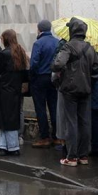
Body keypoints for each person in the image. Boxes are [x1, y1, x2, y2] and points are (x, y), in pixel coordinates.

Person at [52, 18, 98, 166]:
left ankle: (71, 157)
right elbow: (96, 69)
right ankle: (83, 156)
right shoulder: (90, 48)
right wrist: (88, 81)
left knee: (71, 122)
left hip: (70, 89)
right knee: (85, 122)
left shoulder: (68, 47)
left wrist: (56, 69)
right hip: (86, 89)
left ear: (72, 31)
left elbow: (58, 64)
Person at [0, 29, 29, 155]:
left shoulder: (5, 54)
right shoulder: (21, 52)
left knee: (5, 117)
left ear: (6, 39)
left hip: (5, 89)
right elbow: (26, 72)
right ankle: (2, 146)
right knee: (12, 117)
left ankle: (12, 147)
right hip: (16, 89)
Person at [30, 20, 59, 148]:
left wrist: (32, 77)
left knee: (40, 108)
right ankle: (57, 136)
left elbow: (34, 63)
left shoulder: (38, 43)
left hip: (40, 78)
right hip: (54, 78)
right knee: (54, 107)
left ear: (39, 29)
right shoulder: (57, 42)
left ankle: (45, 137)